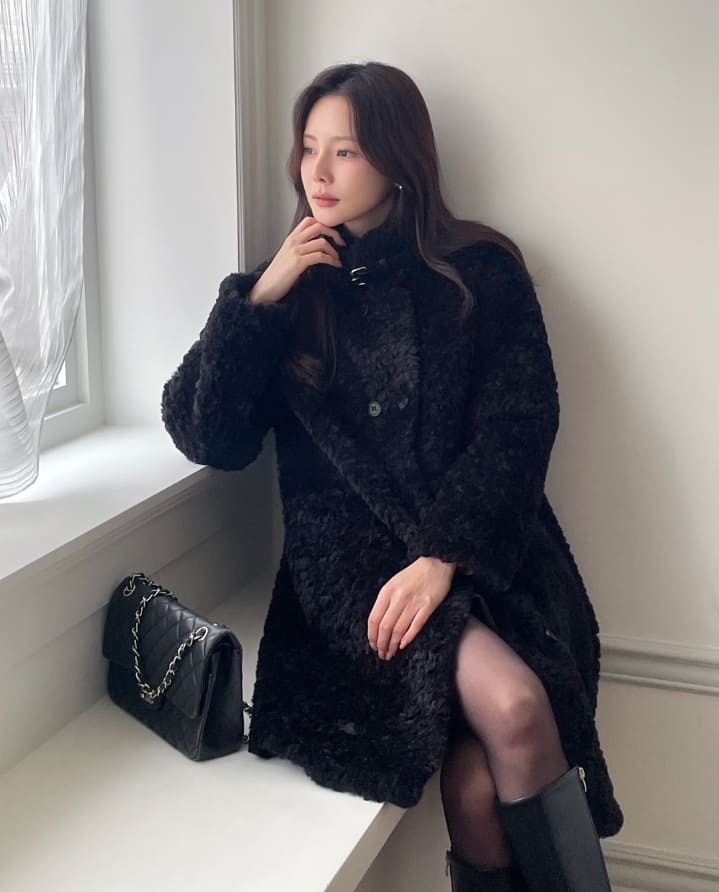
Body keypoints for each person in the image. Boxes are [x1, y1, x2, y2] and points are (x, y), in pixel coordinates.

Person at [161, 61, 623, 891]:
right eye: (309, 148)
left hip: (489, 556)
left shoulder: (479, 271)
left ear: (397, 159)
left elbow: (518, 427)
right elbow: (208, 437)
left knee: (476, 788)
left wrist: (444, 555)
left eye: (345, 151)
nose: (318, 171)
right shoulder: (290, 293)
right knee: (515, 706)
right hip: (351, 579)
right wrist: (257, 301)